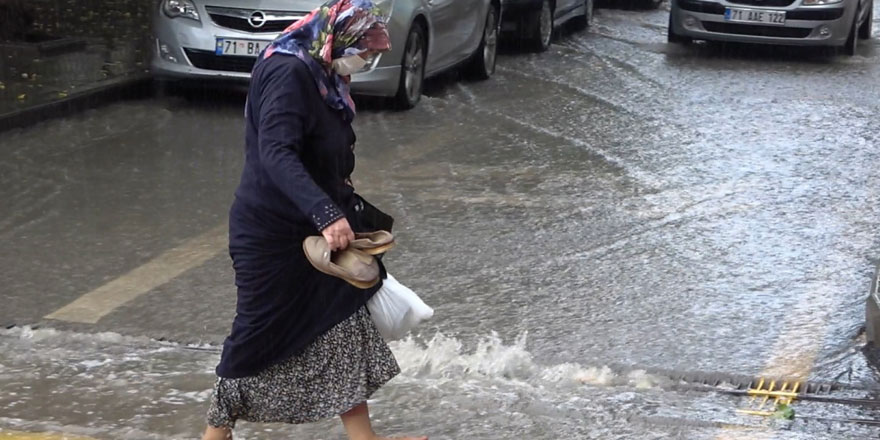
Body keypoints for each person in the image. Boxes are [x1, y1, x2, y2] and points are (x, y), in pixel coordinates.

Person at [202, 2, 426, 439]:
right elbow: (276, 153)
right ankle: (216, 433)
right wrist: (325, 214)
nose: (363, 60)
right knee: (254, 338)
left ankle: (365, 438)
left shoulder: (322, 73)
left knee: (342, 322)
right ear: (336, 36)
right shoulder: (290, 73)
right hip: (272, 233)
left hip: (313, 229)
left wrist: (337, 206)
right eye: (361, 49)